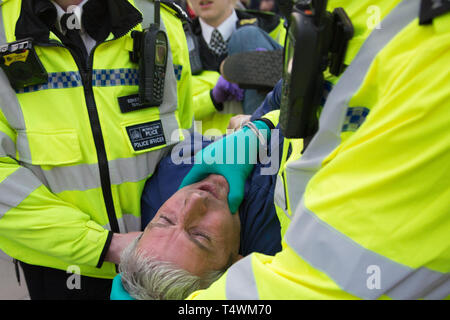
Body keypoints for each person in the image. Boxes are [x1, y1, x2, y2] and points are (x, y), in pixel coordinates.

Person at [179, 0, 450, 299]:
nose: (188, 211)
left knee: (250, 43)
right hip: (278, 170)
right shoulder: (333, 15)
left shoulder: (427, 44)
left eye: (167, 221)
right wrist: (255, 121)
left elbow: (324, 279)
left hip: (285, 190)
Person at [0, 0, 194, 300]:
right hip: (62, 269)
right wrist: (106, 245)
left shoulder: (159, 18)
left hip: (162, 265)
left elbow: (183, 144)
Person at [110, 113, 284, 299]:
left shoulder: (162, 185)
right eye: (200, 236)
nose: (194, 199)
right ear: (236, 267)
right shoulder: (282, 229)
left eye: (165, 219)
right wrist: (261, 126)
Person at [187, 0, 285, 135]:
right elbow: (173, 112)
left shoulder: (274, 26)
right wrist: (211, 98)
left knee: (246, 36)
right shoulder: (176, 40)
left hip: (269, 136)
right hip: (209, 146)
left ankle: (257, 128)